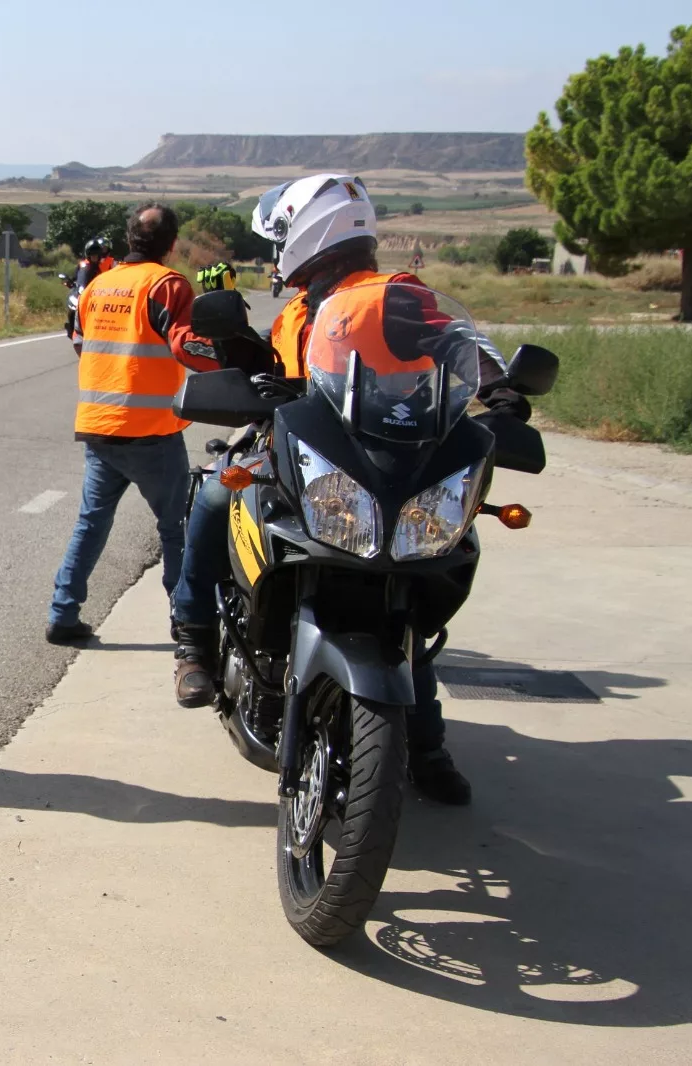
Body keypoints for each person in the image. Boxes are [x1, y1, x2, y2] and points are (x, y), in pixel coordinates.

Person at [170, 175, 531, 805]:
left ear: (309, 233)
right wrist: (237, 347)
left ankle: (423, 742)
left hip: (382, 462)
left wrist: (498, 390)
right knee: (209, 497)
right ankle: (194, 641)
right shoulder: (302, 308)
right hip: (304, 457)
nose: (276, 251)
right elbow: (279, 376)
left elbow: (461, 340)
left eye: (280, 237)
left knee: (408, 599)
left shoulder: (387, 295)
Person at [46, 204, 218, 645]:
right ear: (172, 244)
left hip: (99, 427)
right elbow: (189, 347)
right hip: (152, 433)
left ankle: (63, 614)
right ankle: (186, 622)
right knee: (176, 527)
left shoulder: (99, 286)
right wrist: (235, 363)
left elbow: (82, 344)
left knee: (92, 521)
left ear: (128, 239)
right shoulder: (167, 285)